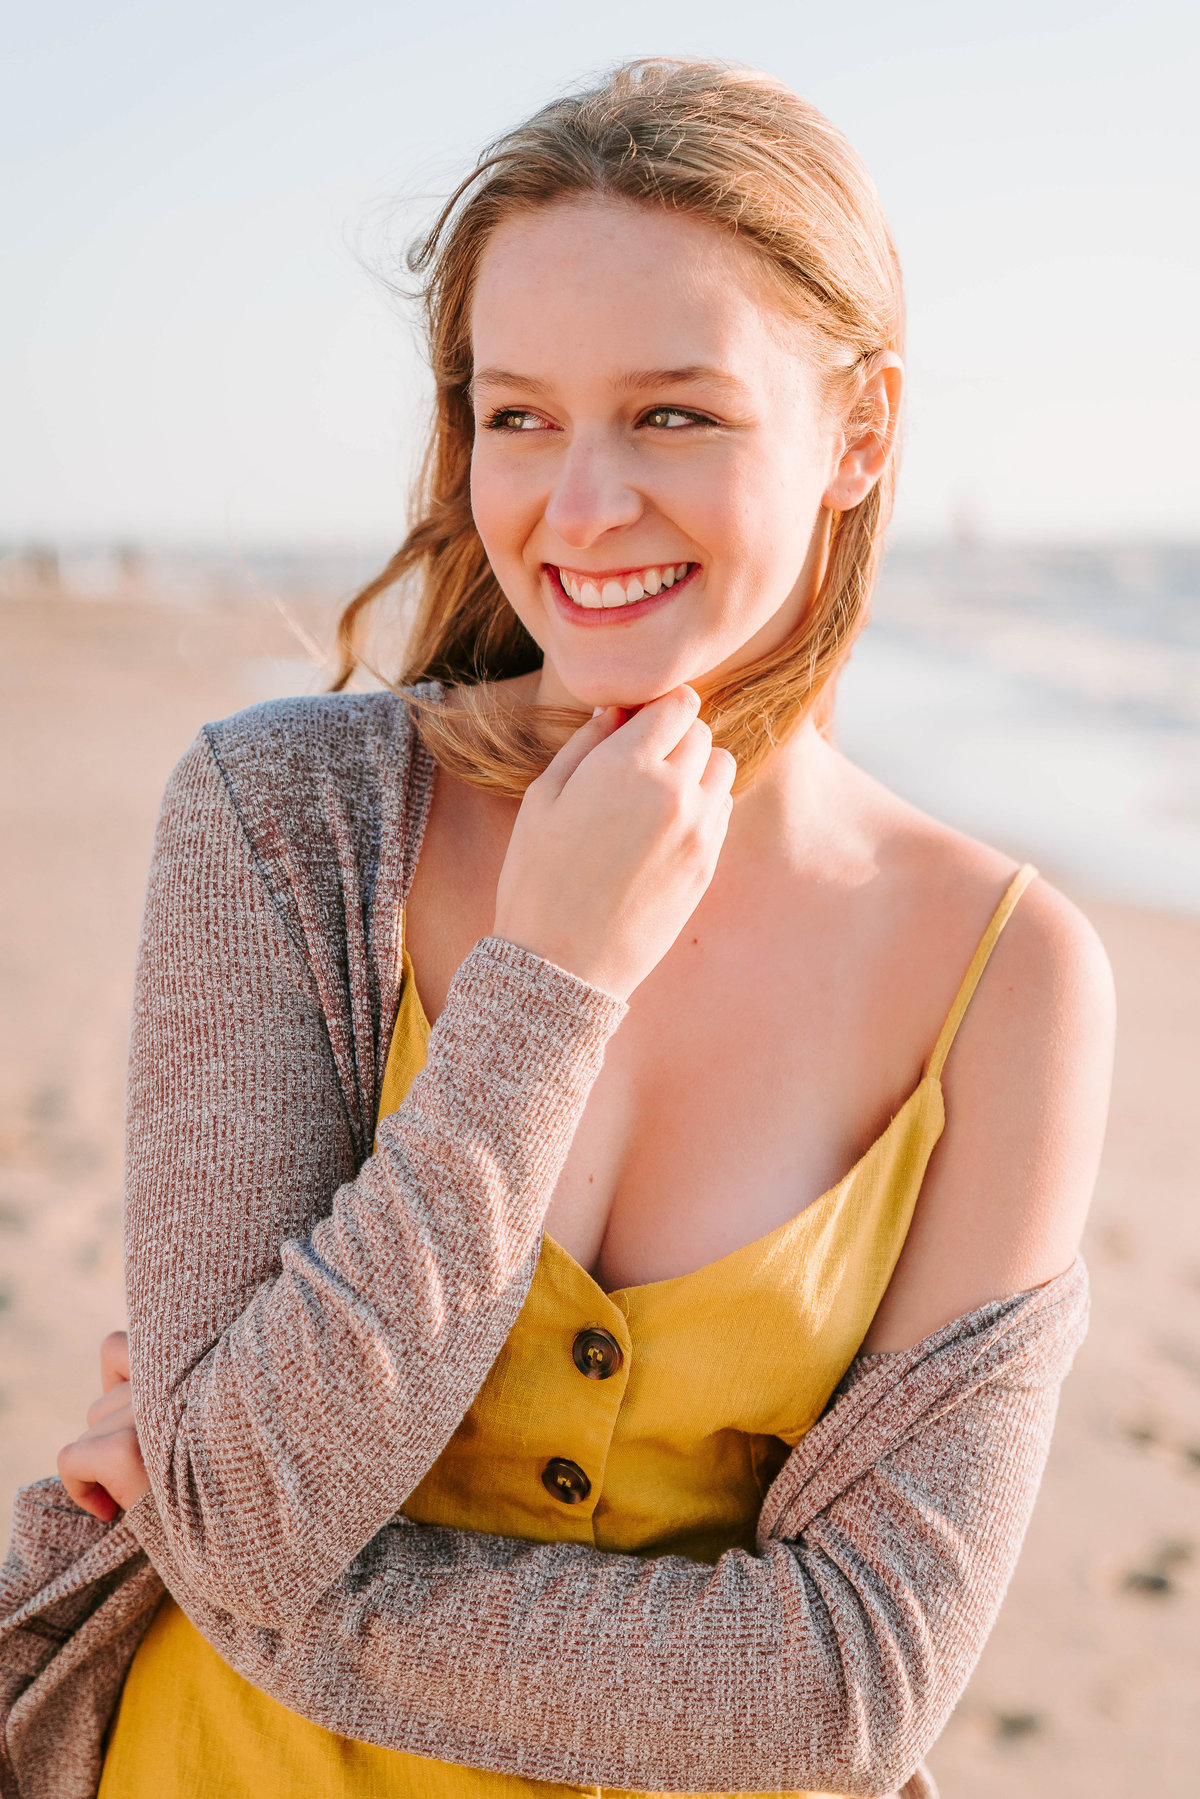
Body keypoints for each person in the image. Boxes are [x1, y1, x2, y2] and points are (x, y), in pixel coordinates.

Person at [34, 56, 1112, 1799]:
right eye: (517, 415)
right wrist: (547, 988)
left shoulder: (1009, 974)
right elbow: (241, 1518)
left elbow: (851, 1688)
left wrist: (266, 1575)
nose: (578, 505)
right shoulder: (281, 822)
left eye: (674, 414)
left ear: (863, 431)